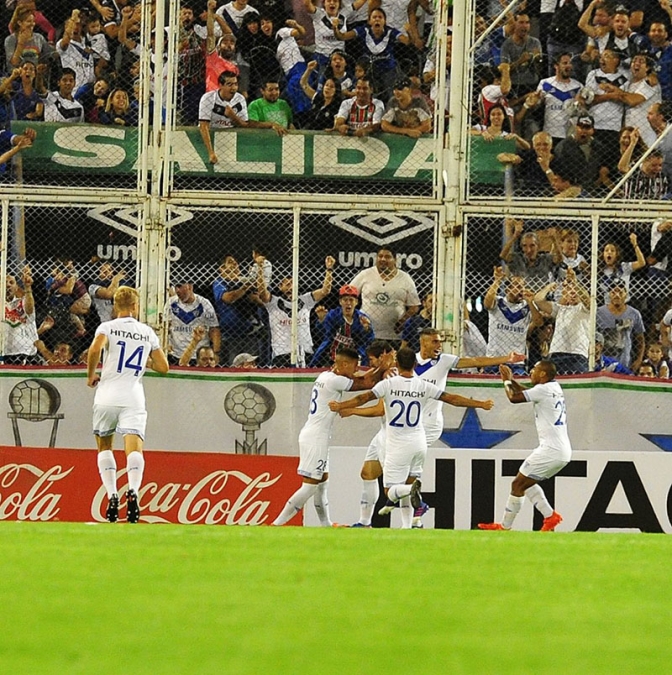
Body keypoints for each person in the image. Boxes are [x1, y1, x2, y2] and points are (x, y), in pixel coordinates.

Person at [330, 347, 495, 529]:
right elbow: (452, 399)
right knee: (372, 474)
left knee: (392, 490)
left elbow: (364, 398)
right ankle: (404, 526)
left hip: (396, 441)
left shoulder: (389, 383)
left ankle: (415, 508)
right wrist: (480, 403)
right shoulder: (423, 385)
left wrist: (341, 405)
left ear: (397, 363)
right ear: (415, 364)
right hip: (418, 441)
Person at [272, 346, 390, 527]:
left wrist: (379, 367)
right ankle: (277, 524)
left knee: (322, 483)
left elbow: (362, 377)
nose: (356, 370)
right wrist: (383, 366)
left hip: (315, 434)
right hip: (315, 438)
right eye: (354, 366)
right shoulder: (336, 381)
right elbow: (367, 383)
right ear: (343, 364)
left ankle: (326, 524)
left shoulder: (325, 376)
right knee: (310, 486)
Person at [86, 286, 169, 523]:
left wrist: (90, 375)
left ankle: (112, 495)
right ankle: (133, 490)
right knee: (134, 449)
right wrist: (145, 362)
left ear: (115, 306)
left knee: (104, 447)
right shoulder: (147, 332)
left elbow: (94, 349)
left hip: (107, 396)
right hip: (133, 396)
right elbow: (164, 367)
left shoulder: (107, 327)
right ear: (135, 306)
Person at [478, 360, 570, 532]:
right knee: (525, 482)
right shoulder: (554, 387)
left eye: (535, 369)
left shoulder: (543, 390)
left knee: (517, 485)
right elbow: (528, 392)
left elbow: (514, 398)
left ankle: (505, 527)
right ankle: (550, 516)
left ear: (543, 374)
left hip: (551, 450)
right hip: (559, 450)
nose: (531, 372)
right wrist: (511, 380)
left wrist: (506, 381)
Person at [259, 255, 335, 367]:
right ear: (280, 286)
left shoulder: (306, 300)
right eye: (287, 284)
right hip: (282, 354)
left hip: (306, 352)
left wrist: (329, 270)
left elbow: (325, 291)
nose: (291, 288)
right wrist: (260, 270)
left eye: (293, 284)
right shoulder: (274, 303)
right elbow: (262, 293)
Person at [349, 247, 421, 343]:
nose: (383, 259)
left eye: (387, 257)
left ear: (395, 260)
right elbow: (349, 295)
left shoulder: (405, 278)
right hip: (366, 332)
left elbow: (414, 306)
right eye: (380, 256)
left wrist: (402, 321)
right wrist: (358, 316)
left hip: (394, 336)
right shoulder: (366, 274)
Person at [484, 267, 543, 373]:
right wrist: (497, 281)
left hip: (516, 362)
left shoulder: (528, 306)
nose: (520, 289)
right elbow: (487, 303)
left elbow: (539, 322)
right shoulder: (498, 302)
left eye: (522, 286)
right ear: (507, 289)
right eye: (516, 285)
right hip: (494, 359)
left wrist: (531, 302)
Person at [533, 269, 592, 374]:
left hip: (577, 355)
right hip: (556, 354)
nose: (573, 292)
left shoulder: (585, 308)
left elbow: (586, 299)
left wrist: (575, 282)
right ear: (564, 293)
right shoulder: (560, 309)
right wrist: (548, 287)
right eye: (569, 289)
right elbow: (538, 300)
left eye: (575, 290)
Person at [213, 254, 265, 366]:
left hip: (250, 334)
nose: (235, 264)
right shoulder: (219, 282)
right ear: (221, 269)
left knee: (251, 367)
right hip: (230, 336)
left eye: (236, 262)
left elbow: (261, 301)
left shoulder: (246, 280)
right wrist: (246, 287)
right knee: (233, 369)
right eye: (230, 262)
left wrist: (251, 291)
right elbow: (228, 298)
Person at [310, 284, 374, 366]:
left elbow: (369, 340)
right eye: (345, 300)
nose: (348, 303)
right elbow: (320, 335)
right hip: (330, 357)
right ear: (340, 302)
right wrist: (321, 321)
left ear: (356, 302)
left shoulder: (362, 319)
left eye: (351, 300)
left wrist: (366, 329)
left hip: (355, 358)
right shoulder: (333, 314)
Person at [164, 280, 220, 366]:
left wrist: (215, 354)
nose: (177, 290)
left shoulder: (204, 304)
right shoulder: (171, 303)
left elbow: (214, 329)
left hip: (199, 356)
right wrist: (165, 343)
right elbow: (165, 326)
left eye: (180, 286)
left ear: (190, 286)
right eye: (175, 287)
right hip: (175, 354)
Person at [198, 70, 249, 165]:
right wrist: (211, 153)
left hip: (230, 138)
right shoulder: (208, 98)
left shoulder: (240, 99)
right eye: (229, 84)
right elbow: (203, 126)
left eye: (236, 84)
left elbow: (244, 124)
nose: (233, 88)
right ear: (220, 85)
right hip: (211, 134)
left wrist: (232, 116)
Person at [597, 283, 646, 372]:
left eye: (620, 292)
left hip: (625, 363)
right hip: (603, 362)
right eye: (613, 292)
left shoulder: (634, 314)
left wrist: (639, 360)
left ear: (626, 294)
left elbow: (640, 340)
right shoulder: (599, 313)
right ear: (609, 294)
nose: (617, 295)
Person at [3, 266, 39, 365]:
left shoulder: (23, 301)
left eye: (11, 282)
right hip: (3, 353)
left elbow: (29, 309)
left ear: (16, 287)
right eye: (4, 282)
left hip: (25, 354)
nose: (8, 285)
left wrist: (27, 287)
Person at [299, 61, 343, 130]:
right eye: (326, 85)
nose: (328, 88)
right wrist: (308, 70)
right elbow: (303, 83)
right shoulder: (318, 98)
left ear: (336, 90)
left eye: (331, 87)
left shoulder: (338, 106)